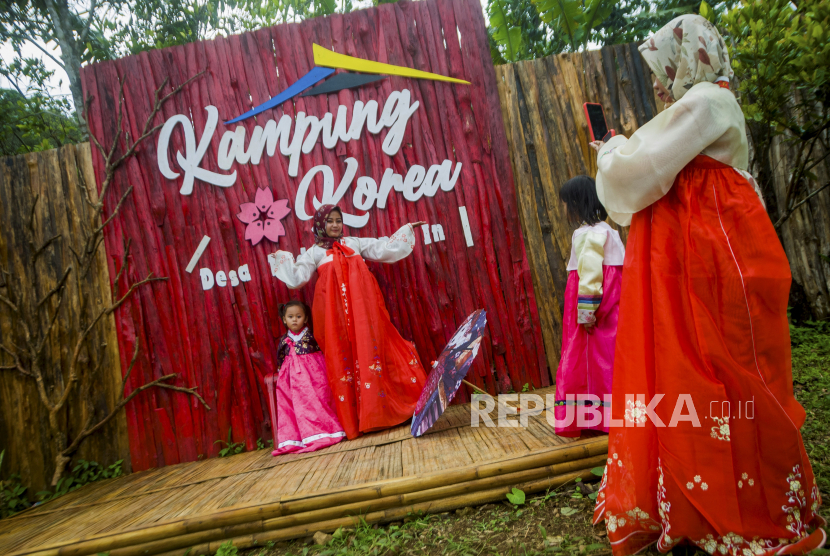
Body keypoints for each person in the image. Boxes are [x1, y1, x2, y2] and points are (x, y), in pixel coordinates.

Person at [589, 15, 826, 555]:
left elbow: (636, 172)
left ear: (687, 57)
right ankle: (702, 496)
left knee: (727, 375)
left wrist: (608, 151)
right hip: (704, 266)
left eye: (661, 67)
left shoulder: (706, 103)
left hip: (712, 270)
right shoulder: (705, 106)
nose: (655, 83)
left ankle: (738, 503)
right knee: (702, 377)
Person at [270, 205, 428, 439]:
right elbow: (298, 277)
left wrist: (405, 230)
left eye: (338, 221)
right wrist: (281, 260)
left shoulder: (354, 243)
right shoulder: (314, 253)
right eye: (330, 221)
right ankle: (357, 420)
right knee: (343, 358)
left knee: (373, 352)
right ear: (320, 225)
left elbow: (383, 248)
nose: (334, 225)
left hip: (364, 313)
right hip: (335, 319)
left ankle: (389, 410)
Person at [553, 176, 624, 437]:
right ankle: (614, 415)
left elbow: (591, 274)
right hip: (613, 301)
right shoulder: (609, 231)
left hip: (591, 304)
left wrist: (586, 313)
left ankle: (588, 416)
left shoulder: (587, 234)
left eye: (565, 203)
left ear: (576, 203)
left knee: (582, 358)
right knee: (610, 356)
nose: (563, 209)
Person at [268, 300, 345, 456]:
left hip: (314, 374)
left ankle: (325, 431)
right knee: (297, 406)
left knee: (318, 400)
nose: (294, 320)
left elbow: (321, 350)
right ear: (284, 319)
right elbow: (280, 359)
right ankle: (300, 437)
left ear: (305, 318)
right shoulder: (284, 340)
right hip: (293, 379)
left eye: (298, 316)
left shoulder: (310, 335)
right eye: (290, 316)